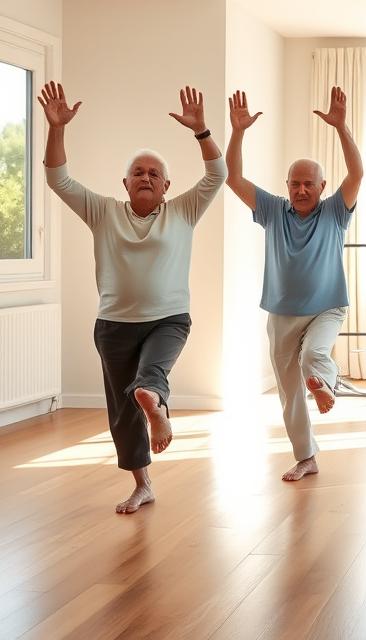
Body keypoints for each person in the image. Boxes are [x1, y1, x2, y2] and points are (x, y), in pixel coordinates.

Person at [40, 82, 226, 514]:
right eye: (138, 173)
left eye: (154, 174)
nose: (146, 177)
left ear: (166, 185)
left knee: (148, 377)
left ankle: (155, 402)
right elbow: (57, 178)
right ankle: (143, 484)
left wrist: (201, 131)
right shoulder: (103, 211)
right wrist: (57, 129)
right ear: (125, 183)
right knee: (122, 411)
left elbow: (217, 174)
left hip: (168, 319)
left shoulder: (183, 210)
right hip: (113, 324)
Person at [224, 87, 363, 482]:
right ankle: (306, 456)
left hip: (327, 305)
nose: (301, 190)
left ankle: (327, 387)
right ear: (287, 186)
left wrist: (341, 127)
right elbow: (233, 177)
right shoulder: (271, 210)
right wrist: (238, 132)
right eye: (295, 184)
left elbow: (357, 174)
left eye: (309, 184)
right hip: (282, 312)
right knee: (288, 393)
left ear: (322, 187)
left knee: (313, 356)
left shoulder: (335, 211)